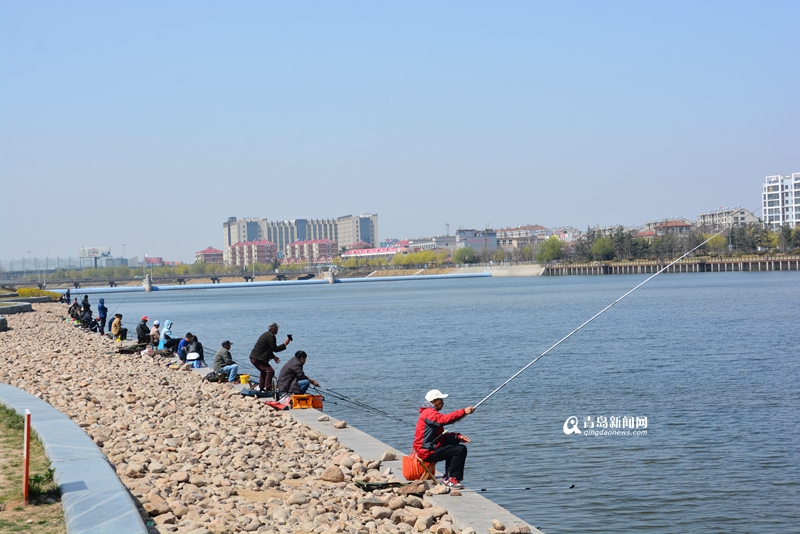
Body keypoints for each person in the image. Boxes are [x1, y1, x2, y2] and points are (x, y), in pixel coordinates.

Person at [412, 389, 475, 489]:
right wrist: (463, 412)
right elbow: (443, 420)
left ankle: (448, 477)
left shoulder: (429, 412)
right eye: (441, 400)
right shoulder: (429, 413)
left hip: (429, 448)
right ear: (434, 401)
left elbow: (441, 436)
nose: (443, 402)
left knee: (456, 447)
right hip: (427, 451)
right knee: (460, 450)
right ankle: (451, 479)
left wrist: (458, 437)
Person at [249, 322, 290, 392]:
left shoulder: (267, 334)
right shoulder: (271, 336)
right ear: (273, 328)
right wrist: (285, 344)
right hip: (257, 358)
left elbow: (267, 348)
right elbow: (275, 349)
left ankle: (262, 388)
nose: (277, 330)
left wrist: (273, 357)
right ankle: (267, 388)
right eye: (277, 328)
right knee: (270, 371)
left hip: (254, 357)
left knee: (264, 371)